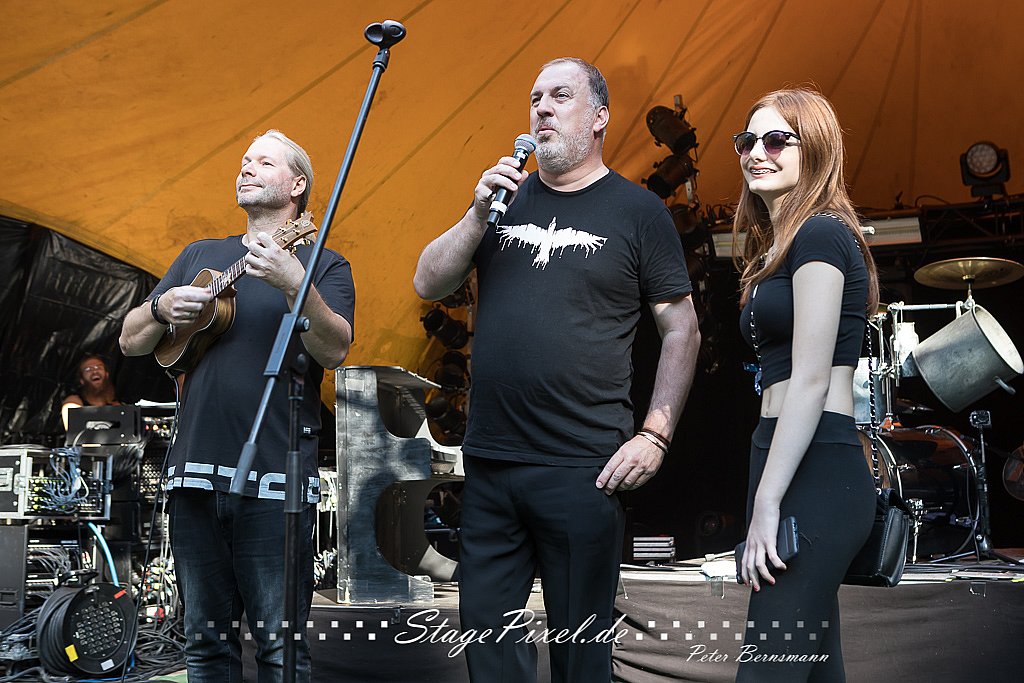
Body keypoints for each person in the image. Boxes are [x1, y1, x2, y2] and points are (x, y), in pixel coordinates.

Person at [414, 57, 700, 682]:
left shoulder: (638, 212)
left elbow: (682, 328)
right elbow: (428, 281)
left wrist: (655, 434)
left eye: (560, 96)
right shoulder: (500, 202)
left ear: (599, 117)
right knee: (489, 653)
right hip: (491, 463)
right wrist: (476, 213)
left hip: (583, 467)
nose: (541, 107)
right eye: (535, 97)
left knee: (580, 658)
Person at [119, 130, 354, 683]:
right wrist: (161, 306)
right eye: (245, 160)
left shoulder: (324, 263)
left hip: (276, 482)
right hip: (194, 475)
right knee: (204, 645)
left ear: (297, 186)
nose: (246, 168)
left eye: (264, 162)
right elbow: (131, 340)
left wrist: (295, 283)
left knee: (279, 648)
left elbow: (336, 349)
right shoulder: (201, 255)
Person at [731, 88, 880, 682]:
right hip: (780, 454)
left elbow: (812, 380)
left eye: (776, 140)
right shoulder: (781, 246)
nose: (756, 153)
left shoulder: (820, 234)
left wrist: (767, 503)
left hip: (818, 465)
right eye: (748, 141)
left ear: (814, 149)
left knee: (769, 669)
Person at [60, 353, 121, 430]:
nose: (94, 371)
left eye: (98, 367)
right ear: (82, 380)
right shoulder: (73, 402)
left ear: (107, 374)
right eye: (88, 369)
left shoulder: (117, 403)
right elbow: (75, 433)